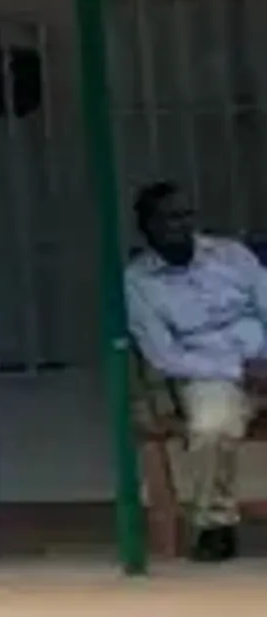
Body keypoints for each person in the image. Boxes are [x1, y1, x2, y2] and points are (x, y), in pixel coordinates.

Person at [122, 181, 267, 565]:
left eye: (185, 215)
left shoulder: (232, 255)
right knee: (211, 428)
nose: (179, 225)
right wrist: (238, 369)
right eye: (167, 218)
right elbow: (164, 355)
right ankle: (215, 524)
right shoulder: (138, 282)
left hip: (264, 356)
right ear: (146, 226)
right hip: (211, 373)